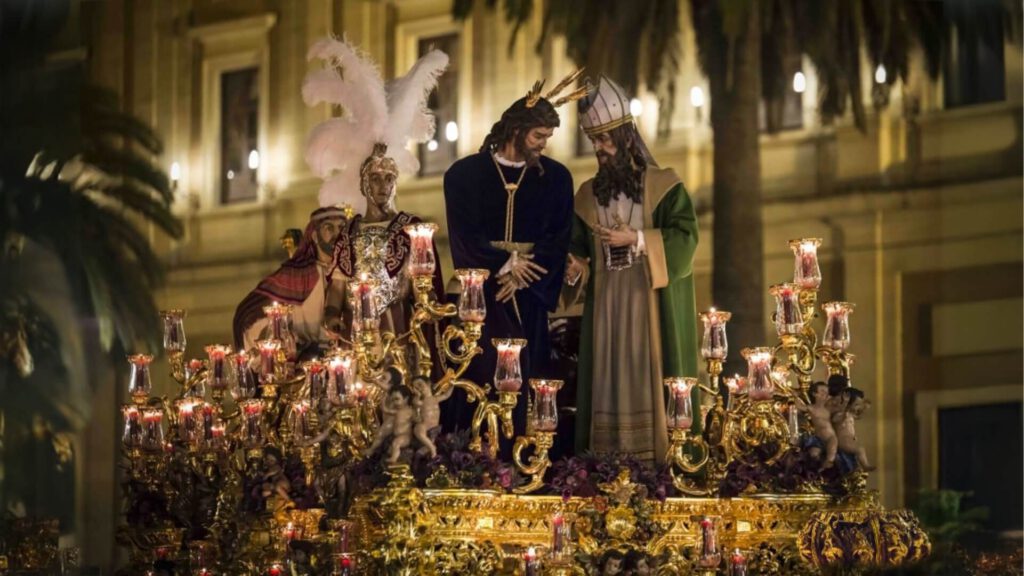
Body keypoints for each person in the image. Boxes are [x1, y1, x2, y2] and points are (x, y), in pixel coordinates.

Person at [442, 75, 582, 444]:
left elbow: (557, 236)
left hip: (530, 294)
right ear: (516, 129)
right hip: (481, 296)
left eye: (547, 138)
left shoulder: (556, 178)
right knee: (480, 372)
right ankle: (475, 454)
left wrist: (523, 275)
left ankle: (526, 457)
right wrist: (503, 266)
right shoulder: (464, 175)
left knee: (528, 372)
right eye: (538, 136)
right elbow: (463, 233)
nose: (542, 145)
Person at [570, 76, 700, 462]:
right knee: (607, 382)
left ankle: (658, 465)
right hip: (607, 312)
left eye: (606, 139)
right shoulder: (586, 196)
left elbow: (686, 241)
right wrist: (575, 268)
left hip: (649, 309)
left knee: (649, 380)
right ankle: (606, 467)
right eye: (594, 141)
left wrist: (639, 240)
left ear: (627, 137)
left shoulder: (665, 186)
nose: (600, 149)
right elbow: (578, 254)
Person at [301, 38, 449, 368]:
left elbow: (424, 291)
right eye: (376, 180)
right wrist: (332, 315)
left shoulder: (411, 230)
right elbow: (338, 288)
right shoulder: (349, 233)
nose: (383, 186)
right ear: (365, 184)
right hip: (357, 333)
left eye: (388, 179)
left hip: (398, 329)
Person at [232, 205, 349, 356]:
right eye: (329, 228)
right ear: (314, 236)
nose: (337, 234)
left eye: (341, 227)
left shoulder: (350, 272)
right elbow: (248, 314)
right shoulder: (295, 274)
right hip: (304, 359)